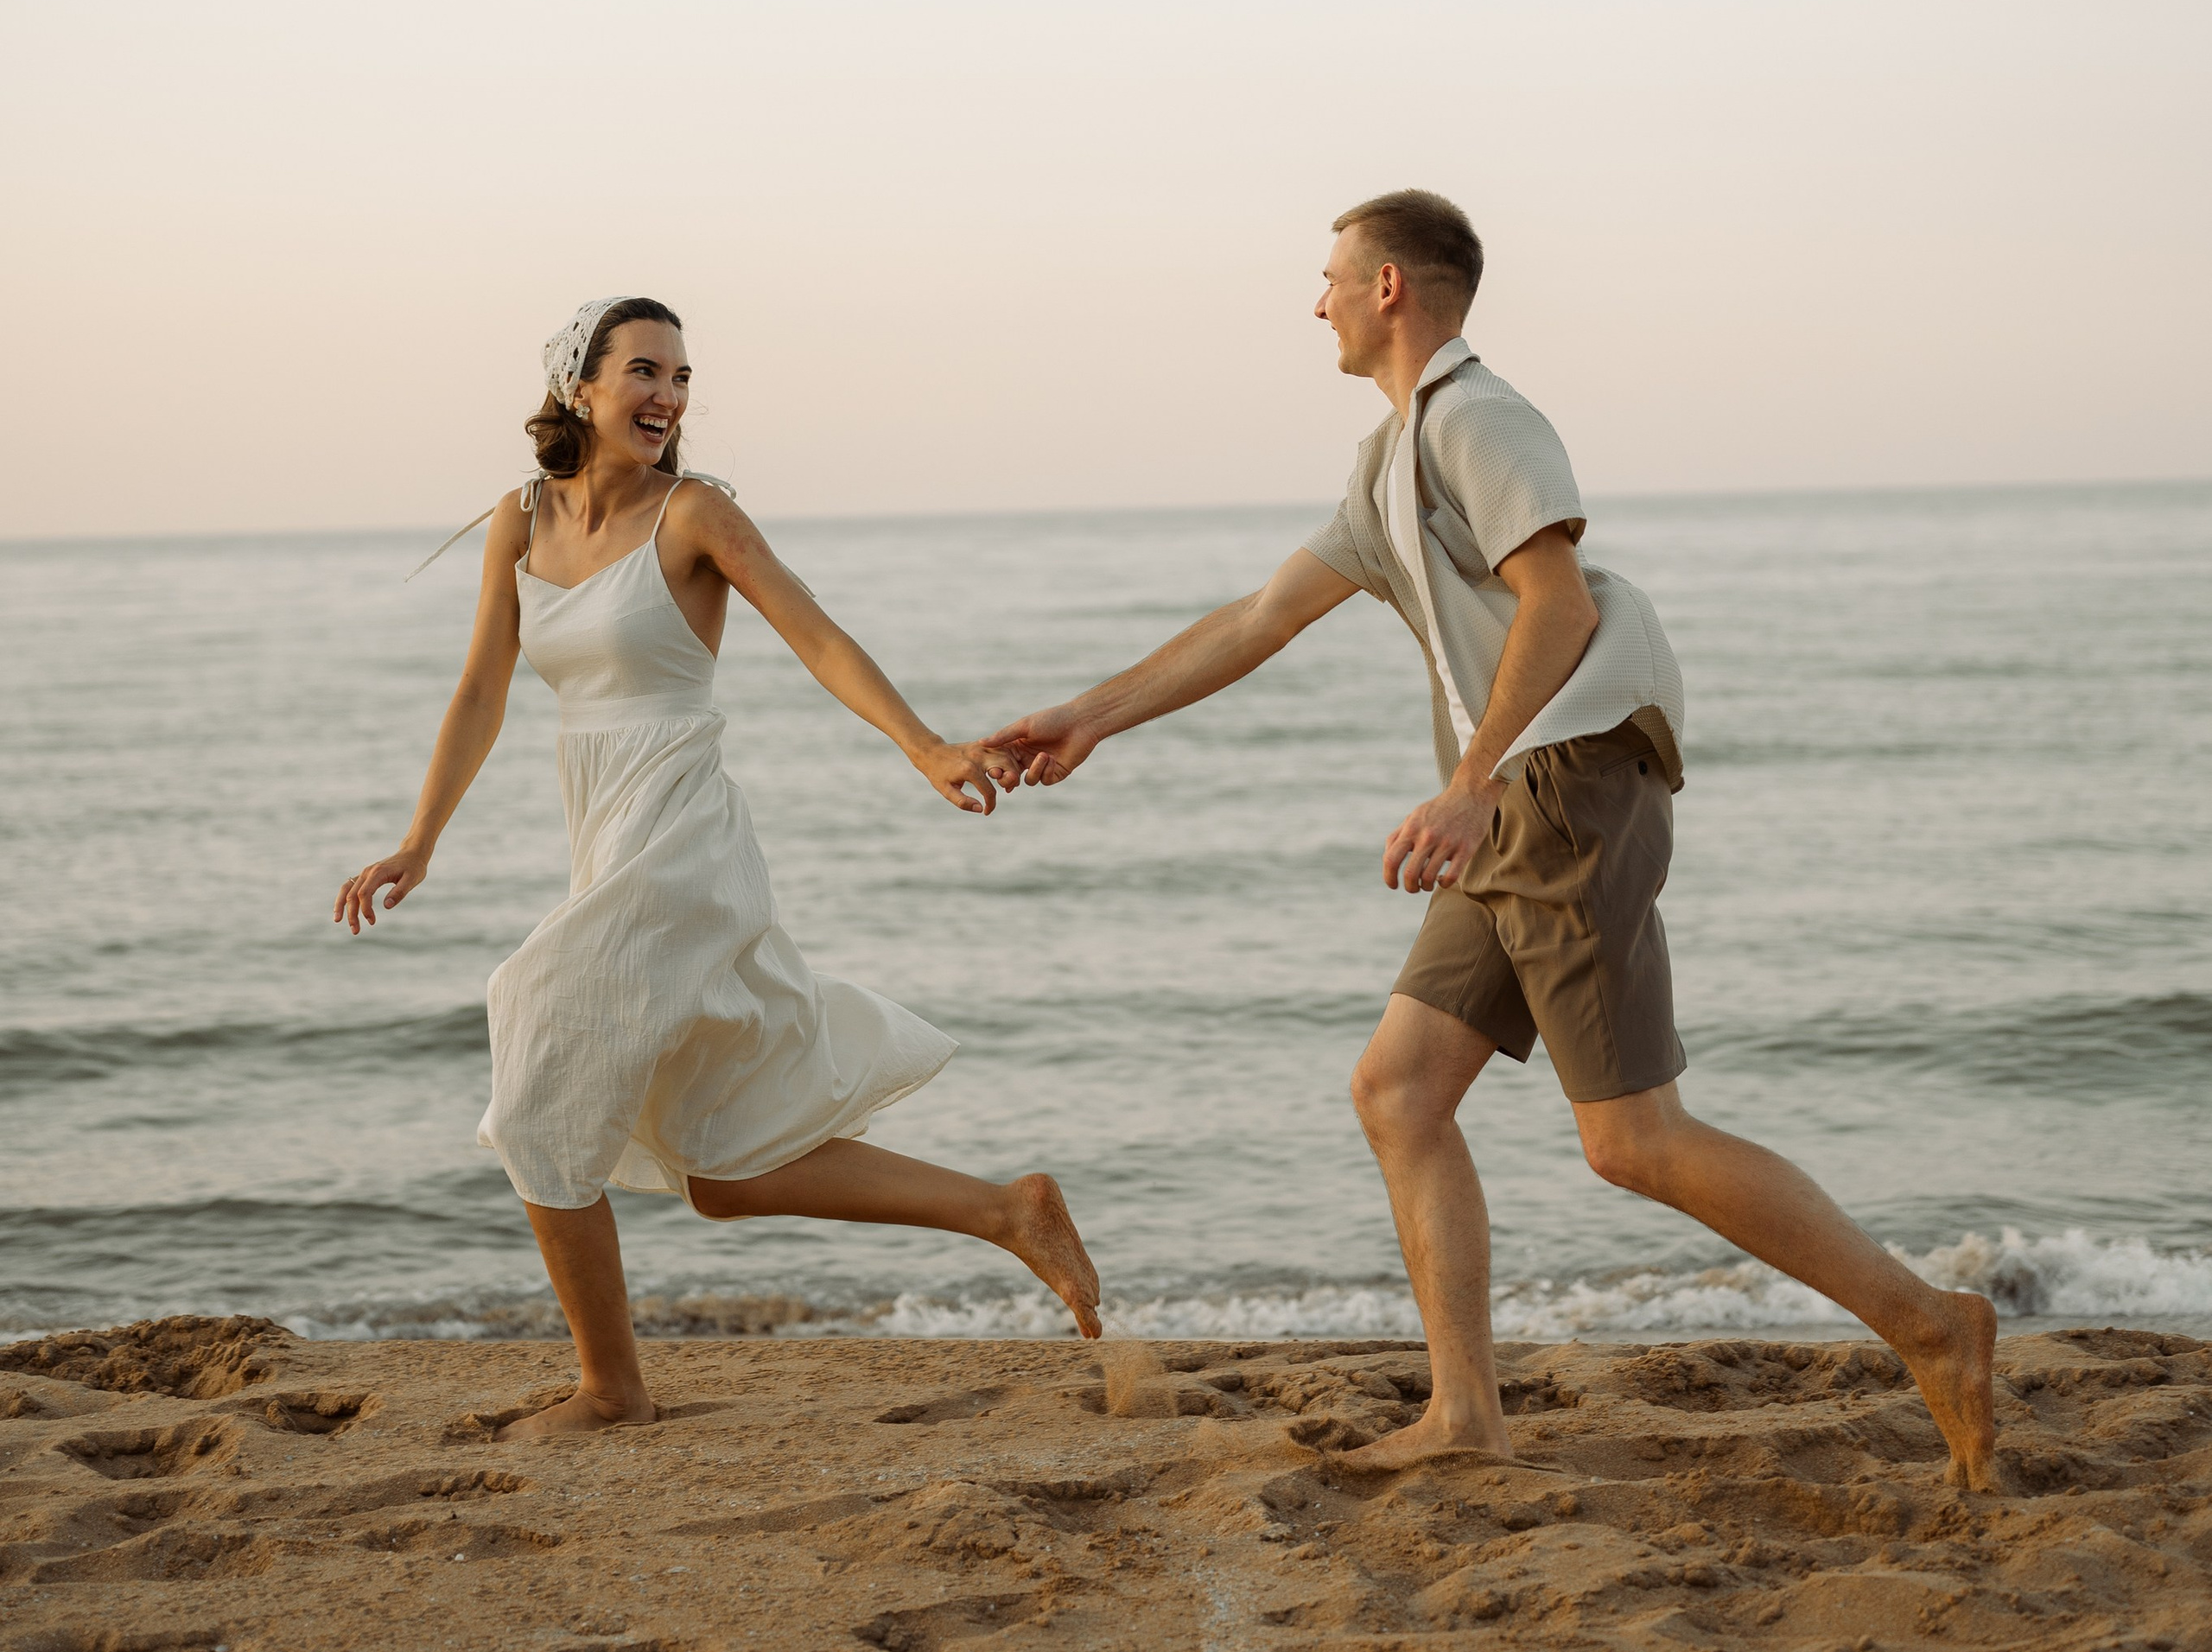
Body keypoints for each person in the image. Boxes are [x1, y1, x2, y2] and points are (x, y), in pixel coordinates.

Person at [985, 193, 1996, 1486]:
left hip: (1555, 785)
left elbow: (1560, 601)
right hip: (1518, 795)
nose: (1318, 302)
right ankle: (1467, 1412)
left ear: (1391, 286)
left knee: (1633, 1139)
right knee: (1400, 1092)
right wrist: (1088, 718)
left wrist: (1470, 782)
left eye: (1332, 279)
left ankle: (1934, 1326)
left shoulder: (1479, 418)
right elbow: (1260, 618)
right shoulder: (1389, 458)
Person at [337, 294, 1099, 1436]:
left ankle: (611, 1390)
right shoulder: (519, 523)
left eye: (683, 378)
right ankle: (1009, 1211)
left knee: (533, 1032)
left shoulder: (692, 515)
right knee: (724, 1171)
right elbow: (481, 690)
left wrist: (924, 744)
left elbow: (818, 635)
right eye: (646, 370)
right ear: (578, 387)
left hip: (683, 838)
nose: (670, 396)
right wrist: (420, 838)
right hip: (608, 842)